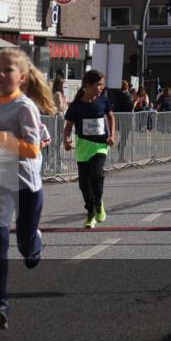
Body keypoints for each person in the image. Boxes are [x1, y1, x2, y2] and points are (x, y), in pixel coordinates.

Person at [0, 48, 47, 330]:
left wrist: (2, 138)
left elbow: (32, 150)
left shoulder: (25, 107)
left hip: (27, 184)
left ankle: (34, 243)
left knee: (25, 249)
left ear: (21, 77)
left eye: (8, 70)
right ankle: (1, 304)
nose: (0, 74)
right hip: (2, 183)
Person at [64, 69, 116, 228]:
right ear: (87, 85)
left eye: (102, 85)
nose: (101, 88)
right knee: (84, 184)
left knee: (97, 175)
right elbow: (68, 126)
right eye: (99, 85)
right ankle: (91, 211)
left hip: (100, 145)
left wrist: (112, 135)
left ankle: (98, 203)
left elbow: (111, 117)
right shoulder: (76, 106)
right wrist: (66, 140)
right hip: (83, 146)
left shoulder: (103, 101)